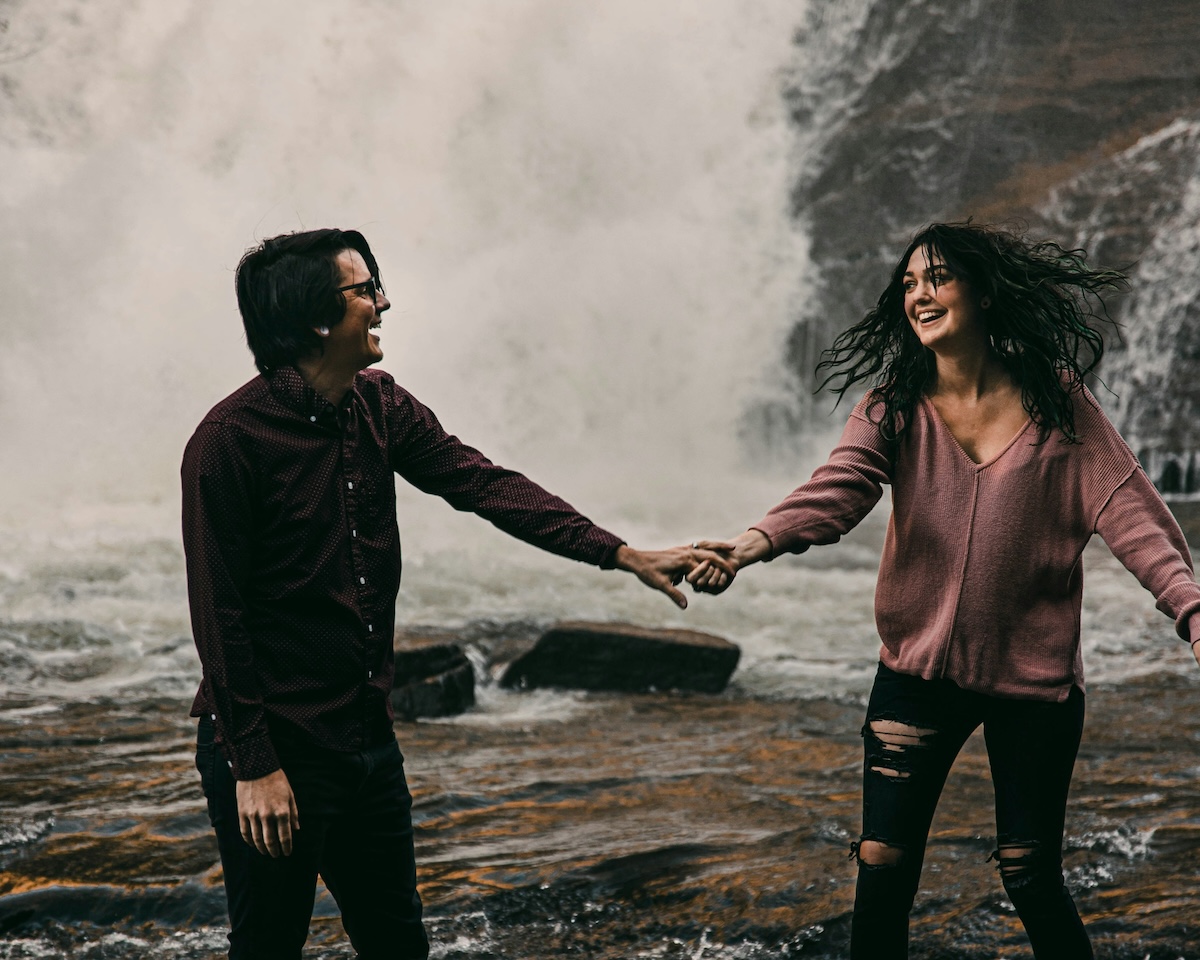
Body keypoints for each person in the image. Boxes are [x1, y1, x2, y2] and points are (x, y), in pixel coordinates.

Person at [181, 227, 728, 960]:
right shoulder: (229, 442)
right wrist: (254, 764)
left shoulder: (379, 406)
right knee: (268, 944)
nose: (383, 303)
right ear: (315, 318)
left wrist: (620, 553)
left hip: (364, 735)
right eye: (365, 290)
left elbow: (484, 484)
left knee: (399, 943)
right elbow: (218, 615)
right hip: (275, 747)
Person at [685, 221, 1200, 959]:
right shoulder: (893, 404)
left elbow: (1133, 517)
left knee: (1029, 875)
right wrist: (753, 542)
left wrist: (1191, 612)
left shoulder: (1061, 406)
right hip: (915, 677)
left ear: (984, 292)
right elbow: (838, 489)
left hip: (1035, 685)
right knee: (882, 864)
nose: (919, 295)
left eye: (937, 279)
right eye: (909, 285)